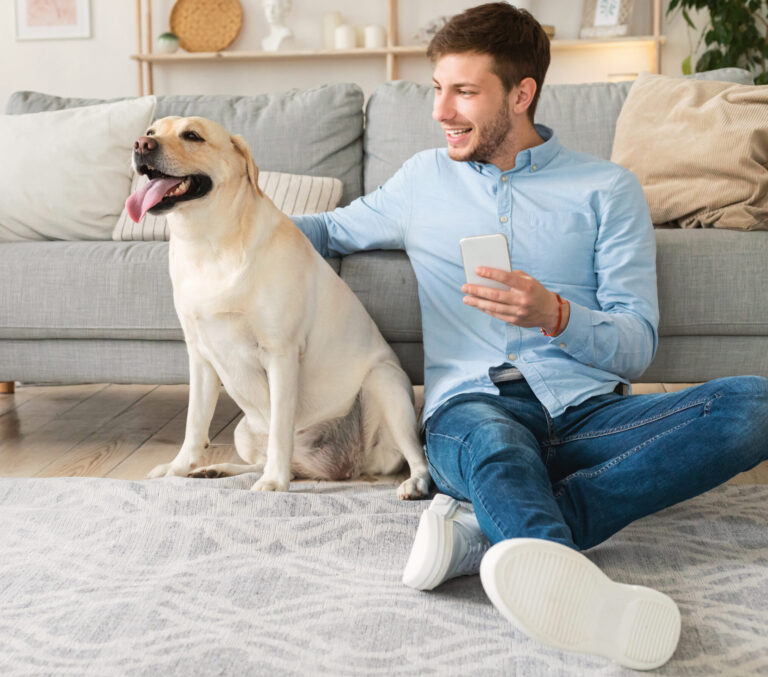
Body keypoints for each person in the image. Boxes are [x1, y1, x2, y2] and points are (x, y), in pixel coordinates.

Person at [292, 3, 768, 669]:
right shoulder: (422, 180)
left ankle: (486, 530)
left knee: (752, 406)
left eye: (464, 92)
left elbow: (637, 343)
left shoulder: (607, 189)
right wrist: (208, 212)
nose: (441, 111)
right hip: (473, 410)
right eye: (437, 89)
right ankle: (578, 593)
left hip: (589, 412)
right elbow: (326, 231)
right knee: (497, 448)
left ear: (522, 94)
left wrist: (556, 314)